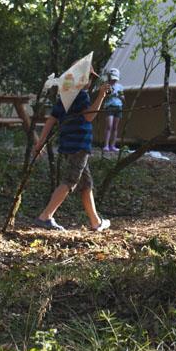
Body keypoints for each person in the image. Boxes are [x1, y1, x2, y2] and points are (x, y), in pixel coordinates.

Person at [31, 75, 111, 232]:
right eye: (89, 78)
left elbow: (51, 119)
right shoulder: (81, 95)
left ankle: (95, 222)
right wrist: (101, 96)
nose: (91, 81)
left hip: (68, 145)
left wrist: (41, 141)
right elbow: (89, 116)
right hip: (79, 145)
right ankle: (45, 216)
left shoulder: (65, 96)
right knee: (70, 180)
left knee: (86, 184)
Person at [101, 68, 124, 152]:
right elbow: (104, 96)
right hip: (109, 106)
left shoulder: (120, 87)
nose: (114, 80)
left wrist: (118, 95)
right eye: (112, 79)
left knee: (115, 127)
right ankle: (106, 145)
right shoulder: (106, 86)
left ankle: (113, 146)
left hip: (118, 107)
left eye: (115, 79)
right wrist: (110, 94)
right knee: (109, 126)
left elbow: (123, 97)